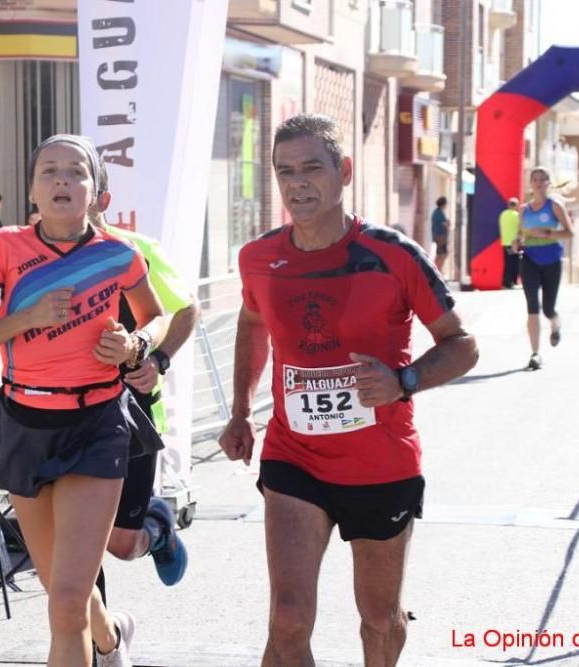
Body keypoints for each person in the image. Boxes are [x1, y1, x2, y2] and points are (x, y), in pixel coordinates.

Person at [218, 113, 478, 667]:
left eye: (312, 167)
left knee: (379, 620)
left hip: (380, 464)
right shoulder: (259, 258)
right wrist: (241, 412)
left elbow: (462, 344)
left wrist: (403, 381)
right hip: (294, 456)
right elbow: (251, 323)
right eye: (284, 171)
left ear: (346, 171)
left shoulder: (394, 253)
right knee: (287, 618)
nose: (297, 183)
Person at [0, 133, 169, 667]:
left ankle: (102, 637)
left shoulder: (119, 253)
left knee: (65, 607)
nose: (62, 180)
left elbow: (159, 317)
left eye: (76, 172)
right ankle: (113, 637)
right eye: (48, 171)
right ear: (31, 189)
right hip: (24, 425)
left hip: (96, 425)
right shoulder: (5, 247)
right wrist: (25, 318)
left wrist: (137, 344)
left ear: (95, 192)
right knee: (64, 596)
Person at [89, 159, 196, 586]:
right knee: (77, 544)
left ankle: (158, 527)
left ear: (102, 200)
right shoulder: (36, 258)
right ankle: (97, 647)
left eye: (81, 184)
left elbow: (186, 309)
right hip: (68, 416)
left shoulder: (135, 250)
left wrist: (158, 360)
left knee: (120, 544)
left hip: (132, 414)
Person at [516, 166, 575, 371]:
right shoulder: (523, 210)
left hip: (551, 261)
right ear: (530, 184)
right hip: (529, 260)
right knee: (532, 306)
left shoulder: (555, 206)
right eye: (535, 179)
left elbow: (570, 233)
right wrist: (517, 243)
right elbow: (519, 237)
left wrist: (547, 233)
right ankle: (535, 353)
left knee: (548, 308)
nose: (539, 183)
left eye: (543, 179)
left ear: (548, 183)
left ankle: (555, 323)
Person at [499, 197, 521, 288]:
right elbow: (521, 226)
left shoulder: (502, 214)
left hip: (505, 242)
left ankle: (505, 282)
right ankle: (511, 282)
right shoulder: (516, 215)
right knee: (514, 263)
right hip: (514, 242)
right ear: (516, 206)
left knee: (507, 263)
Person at [430, 196, 450, 273]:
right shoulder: (438, 213)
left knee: (440, 254)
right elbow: (444, 224)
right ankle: (437, 271)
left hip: (439, 236)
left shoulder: (437, 212)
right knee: (442, 254)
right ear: (443, 204)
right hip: (440, 236)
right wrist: (447, 223)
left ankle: (436, 270)